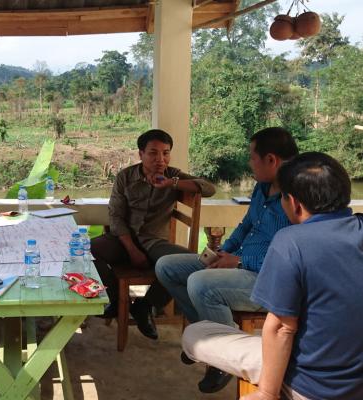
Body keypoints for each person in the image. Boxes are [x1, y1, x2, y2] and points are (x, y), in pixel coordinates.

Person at [182, 152, 363, 400]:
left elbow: (281, 328)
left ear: (294, 203)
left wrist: (267, 393)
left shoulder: (291, 241)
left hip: (312, 384)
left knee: (196, 334)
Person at [155, 127, 298, 393]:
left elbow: (293, 253)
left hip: (268, 277)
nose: (249, 163)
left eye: (251, 157)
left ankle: (223, 360)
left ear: (271, 160)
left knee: (201, 284)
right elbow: (247, 225)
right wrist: (221, 252)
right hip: (239, 262)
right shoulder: (263, 186)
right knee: (167, 267)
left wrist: (241, 260)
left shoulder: (297, 196)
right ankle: (205, 331)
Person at [91, 129, 216, 340]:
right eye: (153, 153)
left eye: (165, 153)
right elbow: (116, 217)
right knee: (86, 250)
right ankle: (115, 300)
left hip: (155, 242)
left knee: (190, 263)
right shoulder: (125, 177)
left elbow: (208, 188)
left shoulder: (173, 175)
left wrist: (171, 183)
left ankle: (145, 305)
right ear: (141, 154)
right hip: (123, 241)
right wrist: (131, 250)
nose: (160, 159)